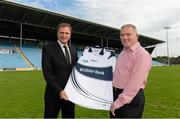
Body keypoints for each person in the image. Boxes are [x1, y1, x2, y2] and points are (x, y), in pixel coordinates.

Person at [110, 24, 152, 118]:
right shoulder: (121, 54)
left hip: (131, 99)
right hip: (117, 95)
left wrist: (118, 102)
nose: (125, 37)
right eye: (122, 35)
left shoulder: (142, 55)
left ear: (137, 36)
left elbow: (134, 84)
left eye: (128, 34)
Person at [42, 23, 78, 118]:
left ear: (70, 35)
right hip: (53, 95)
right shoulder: (48, 48)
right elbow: (47, 74)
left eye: (67, 33)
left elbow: (76, 70)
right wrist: (59, 91)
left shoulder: (73, 49)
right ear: (57, 34)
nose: (64, 35)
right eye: (61, 32)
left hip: (70, 94)